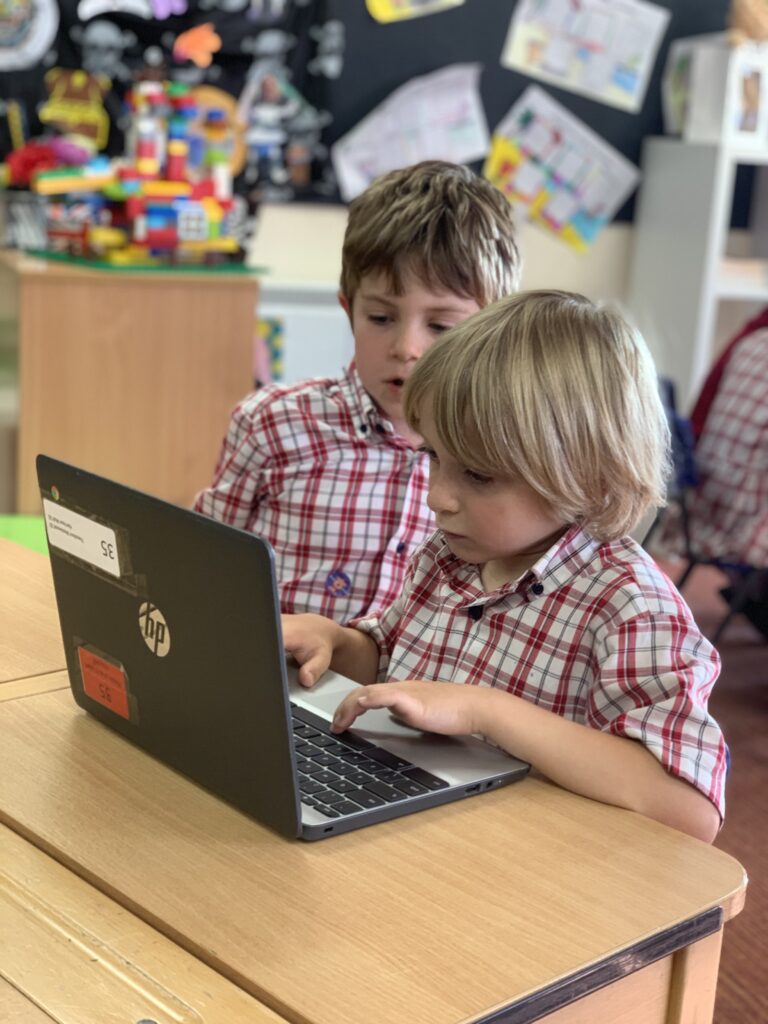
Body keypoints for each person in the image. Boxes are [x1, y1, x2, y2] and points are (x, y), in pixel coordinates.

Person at [282, 290, 727, 843]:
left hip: (532, 875)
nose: (437, 498)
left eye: (478, 475)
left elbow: (689, 807)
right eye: (434, 458)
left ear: (586, 476)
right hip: (417, 831)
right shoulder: (448, 556)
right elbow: (393, 666)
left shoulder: (631, 606)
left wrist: (487, 712)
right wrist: (337, 643)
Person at [194, 160, 521, 619]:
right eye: (381, 318)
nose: (407, 348)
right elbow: (200, 563)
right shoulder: (271, 422)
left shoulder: (510, 457)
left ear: (491, 329)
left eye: (442, 326)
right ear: (349, 310)